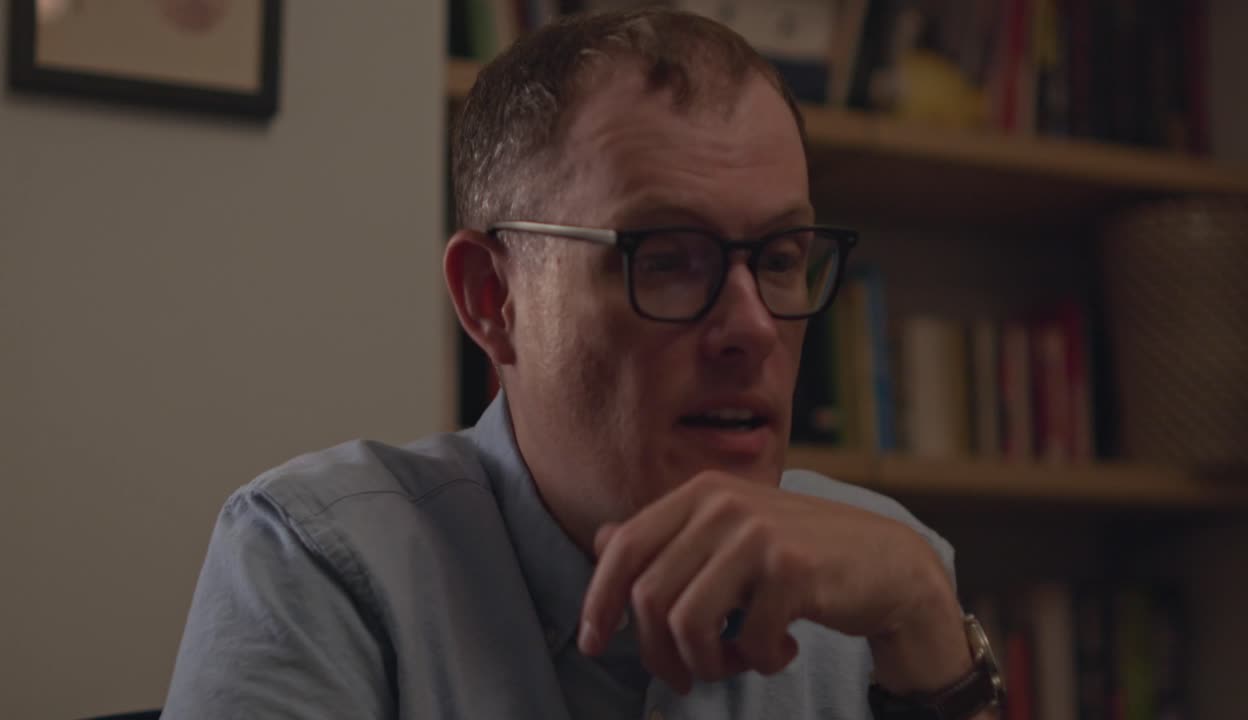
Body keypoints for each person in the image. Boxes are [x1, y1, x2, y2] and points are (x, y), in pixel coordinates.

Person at [162, 8, 1002, 720]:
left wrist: (930, 635)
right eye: (668, 258)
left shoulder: (887, 576)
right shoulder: (321, 566)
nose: (750, 325)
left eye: (781, 257)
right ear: (493, 299)